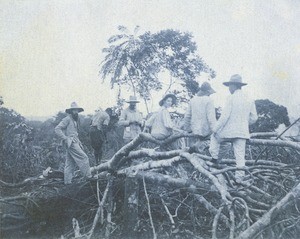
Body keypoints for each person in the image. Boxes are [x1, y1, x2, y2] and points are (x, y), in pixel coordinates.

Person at [209, 74, 258, 181]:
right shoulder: (249, 99)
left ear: (234, 85)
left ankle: (215, 159)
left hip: (229, 132)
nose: (229, 89)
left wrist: (215, 129)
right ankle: (239, 178)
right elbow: (254, 118)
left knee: (214, 137)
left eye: (230, 86)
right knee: (240, 156)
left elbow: (224, 117)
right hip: (242, 132)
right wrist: (244, 123)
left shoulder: (231, 98)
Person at [55, 102, 93, 184]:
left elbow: (75, 132)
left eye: (77, 111)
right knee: (84, 157)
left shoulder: (76, 119)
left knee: (70, 163)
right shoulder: (67, 119)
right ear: (71, 111)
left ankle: (67, 182)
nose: (76, 112)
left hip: (75, 141)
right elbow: (57, 129)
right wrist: (65, 138)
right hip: (71, 142)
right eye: (74, 110)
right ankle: (88, 176)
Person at [183, 82, 217, 153]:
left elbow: (187, 116)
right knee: (215, 142)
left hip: (194, 130)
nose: (209, 95)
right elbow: (211, 118)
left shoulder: (192, 100)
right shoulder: (209, 100)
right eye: (209, 93)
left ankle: (196, 148)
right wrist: (215, 131)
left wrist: (188, 130)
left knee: (194, 150)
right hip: (205, 131)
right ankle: (200, 147)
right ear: (207, 92)